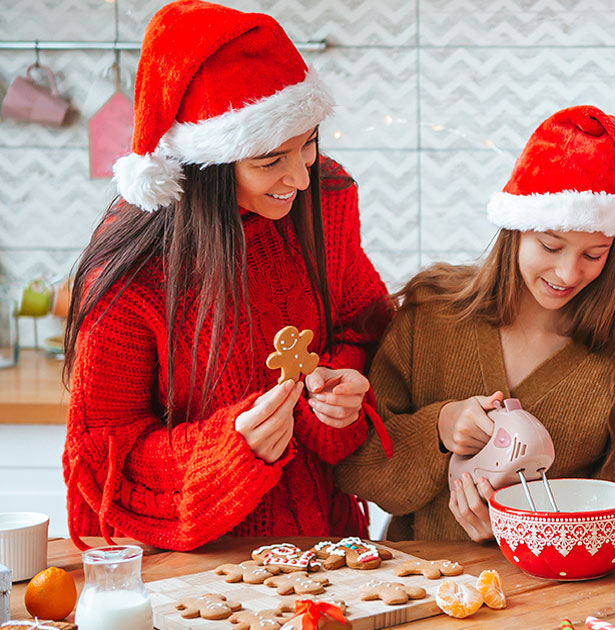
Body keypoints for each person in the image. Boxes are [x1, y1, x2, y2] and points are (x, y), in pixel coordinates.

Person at [61, 0, 388, 551]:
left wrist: (340, 388)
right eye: (268, 161)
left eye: (306, 145)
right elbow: (101, 456)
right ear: (206, 166)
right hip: (188, 569)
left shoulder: (327, 199)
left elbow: (365, 327)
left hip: (323, 547)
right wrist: (230, 450)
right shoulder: (135, 272)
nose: (299, 178)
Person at [335, 105, 615, 542]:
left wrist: (525, 534)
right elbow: (356, 469)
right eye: (550, 246)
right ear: (515, 229)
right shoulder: (430, 314)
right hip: (418, 587)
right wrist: (440, 428)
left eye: (594, 254)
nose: (569, 273)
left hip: (552, 604)